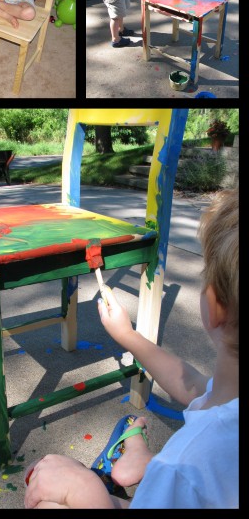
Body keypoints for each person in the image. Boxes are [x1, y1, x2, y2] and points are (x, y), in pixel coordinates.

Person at [24, 190, 239, 508]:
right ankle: (142, 462)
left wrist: (83, 489)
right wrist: (127, 335)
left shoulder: (185, 465)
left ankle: (136, 474)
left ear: (215, 306)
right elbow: (194, 386)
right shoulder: (228, 398)